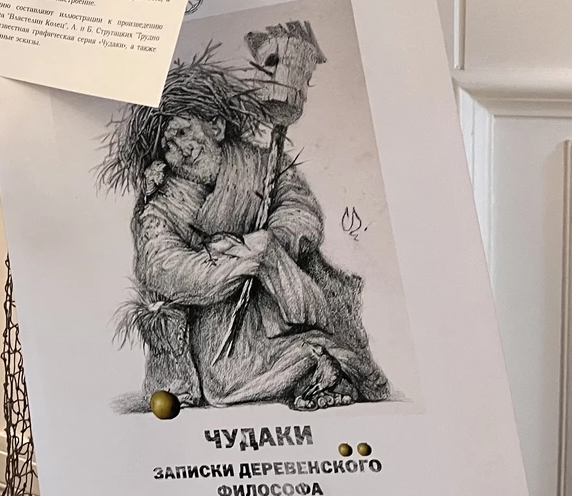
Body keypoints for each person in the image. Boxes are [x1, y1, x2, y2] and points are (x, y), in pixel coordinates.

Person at [133, 108, 389, 410]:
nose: (183, 149)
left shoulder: (266, 166)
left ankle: (322, 369)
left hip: (283, 295)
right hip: (221, 321)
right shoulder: (161, 208)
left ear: (216, 126)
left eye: (183, 132)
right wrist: (240, 261)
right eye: (169, 146)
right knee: (223, 382)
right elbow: (163, 264)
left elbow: (301, 213)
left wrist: (271, 244)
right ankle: (314, 366)